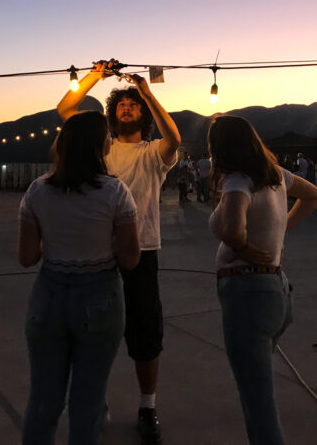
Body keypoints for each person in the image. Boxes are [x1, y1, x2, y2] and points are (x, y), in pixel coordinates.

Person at [57, 61, 180, 444]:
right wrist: (94, 76)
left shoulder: (153, 152)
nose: (127, 108)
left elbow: (173, 138)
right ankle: (98, 402)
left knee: (146, 334)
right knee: (97, 334)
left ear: (143, 113)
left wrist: (147, 91)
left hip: (143, 251)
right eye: (122, 104)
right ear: (111, 115)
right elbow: (65, 111)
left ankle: (148, 405)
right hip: (100, 254)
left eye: (134, 105)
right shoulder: (102, 150)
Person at [17, 111, 141, 444]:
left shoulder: (37, 192)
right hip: (100, 296)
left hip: (48, 296)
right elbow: (131, 260)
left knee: (43, 401)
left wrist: (57, 239)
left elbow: (27, 257)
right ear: (99, 145)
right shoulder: (116, 193)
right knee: (87, 401)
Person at [208, 116, 317, 444]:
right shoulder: (276, 176)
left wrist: (242, 245)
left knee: (259, 405)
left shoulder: (237, 181)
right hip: (275, 292)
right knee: (256, 389)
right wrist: (281, 226)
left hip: (247, 295)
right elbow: (314, 195)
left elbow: (232, 230)